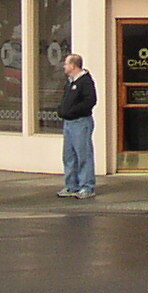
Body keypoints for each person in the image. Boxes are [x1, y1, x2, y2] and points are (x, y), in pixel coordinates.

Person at [56, 53, 97, 199]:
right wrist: (62, 111)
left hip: (81, 122)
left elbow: (90, 101)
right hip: (68, 123)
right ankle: (72, 186)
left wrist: (72, 111)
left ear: (73, 65)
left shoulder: (85, 81)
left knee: (83, 155)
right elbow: (65, 100)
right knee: (69, 155)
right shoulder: (70, 82)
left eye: (66, 64)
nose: (64, 66)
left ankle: (87, 186)